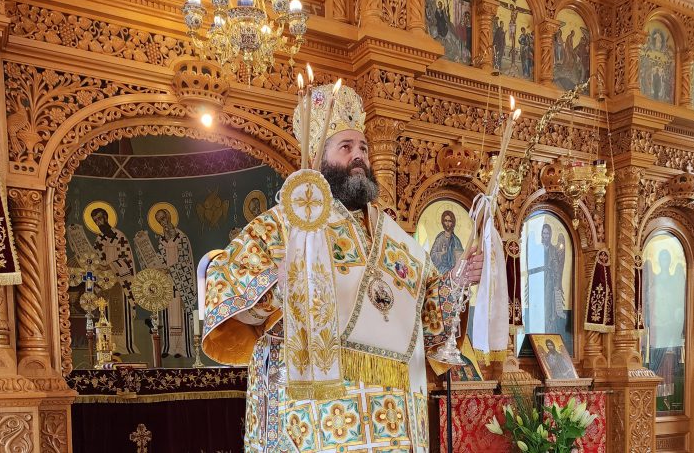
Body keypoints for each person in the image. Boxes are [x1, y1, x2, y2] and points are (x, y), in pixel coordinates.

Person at [202, 84, 486, 452]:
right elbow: (225, 290)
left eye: (363, 148)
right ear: (319, 158)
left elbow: (426, 323)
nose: (359, 156)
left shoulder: (395, 239)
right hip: (313, 411)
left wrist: (457, 280)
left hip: (390, 410)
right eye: (346, 147)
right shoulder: (286, 224)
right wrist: (278, 288)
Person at [91, 207, 139, 355]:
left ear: (106, 217)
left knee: (121, 314)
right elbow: (95, 259)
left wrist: (110, 266)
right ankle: (108, 347)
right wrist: (98, 267)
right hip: (105, 282)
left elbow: (126, 259)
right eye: (96, 221)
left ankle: (124, 346)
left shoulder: (119, 236)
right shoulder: (99, 240)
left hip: (120, 281)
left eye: (100, 218)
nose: (99, 222)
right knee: (106, 313)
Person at [154, 207, 197, 358]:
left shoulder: (182, 237)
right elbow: (160, 258)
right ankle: (170, 347)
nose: (163, 222)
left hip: (181, 281)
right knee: (168, 314)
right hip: (167, 282)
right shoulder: (161, 240)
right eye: (159, 221)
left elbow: (186, 261)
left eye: (164, 218)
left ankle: (183, 347)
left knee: (181, 312)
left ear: (169, 217)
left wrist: (171, 269)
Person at [430, 210, 464, 275]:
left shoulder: (456, 241)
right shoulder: (440, 239)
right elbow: (432, 255)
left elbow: (461, 259)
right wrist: (442, 253)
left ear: (453, 223)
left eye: (450, 221)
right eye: (445, 221)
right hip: (440, 272)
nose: (447, 223)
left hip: (453, 273)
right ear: (443, 222)